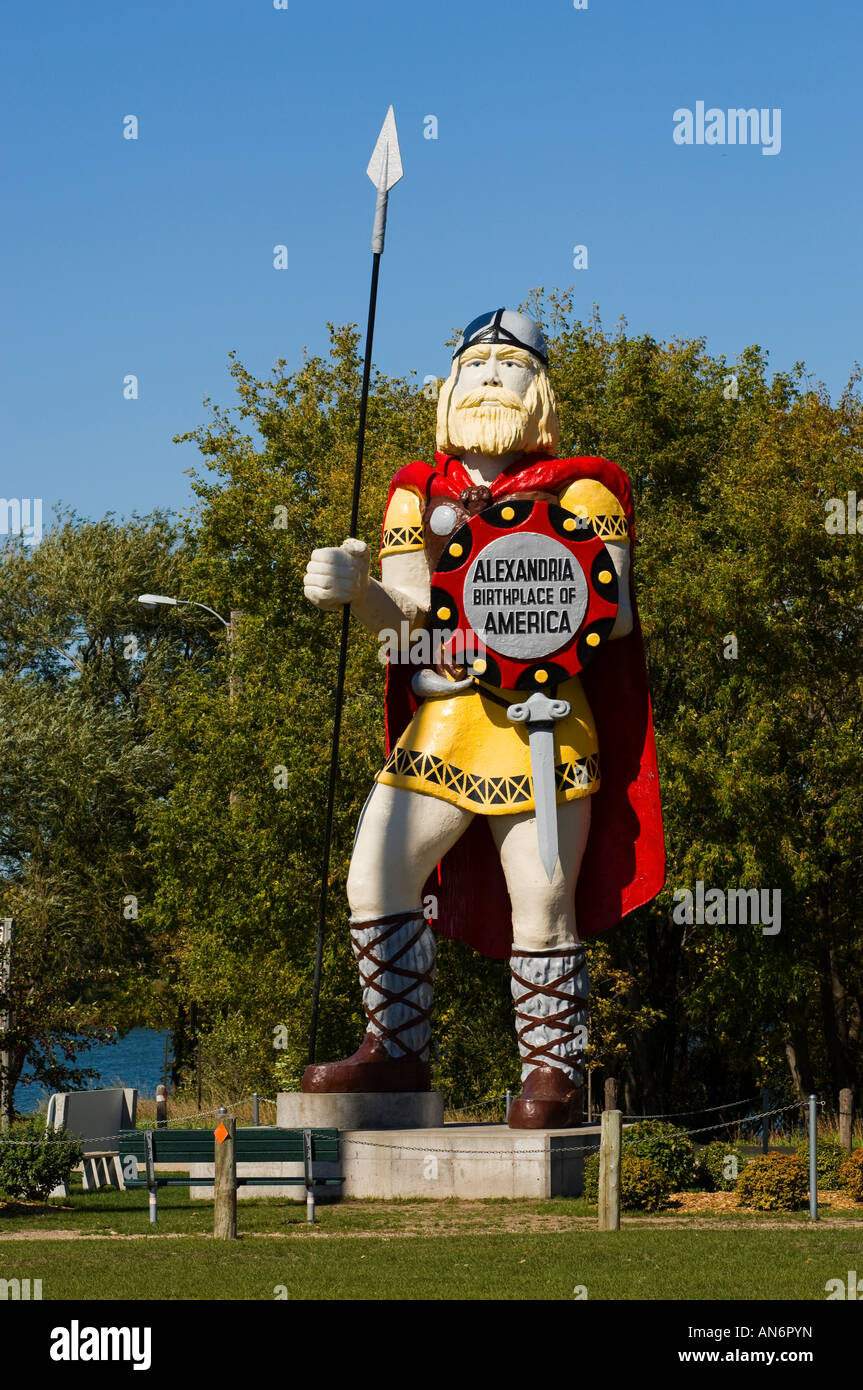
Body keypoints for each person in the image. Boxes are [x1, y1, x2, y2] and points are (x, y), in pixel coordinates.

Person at [302, 309, 664, 1127]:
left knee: (542, 899)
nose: (491, 375)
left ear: (538, 389)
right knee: (375, 875)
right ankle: (393, 1051)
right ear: (448, 388)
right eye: (476, 363)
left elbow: (612, 611)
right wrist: (355, 591)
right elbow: (407, 623)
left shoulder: (584, 489)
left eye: (509, 363)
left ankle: (550, 1075)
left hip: (544, 722)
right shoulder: (414, 493)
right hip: (444, 721)